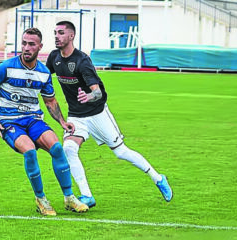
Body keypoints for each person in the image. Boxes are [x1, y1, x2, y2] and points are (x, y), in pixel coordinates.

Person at [45, 21, 173, 208]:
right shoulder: (54, 58)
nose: (56, 36)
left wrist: (88, 95)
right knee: (68, 150)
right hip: (75, 116)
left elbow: (97, 92)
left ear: (71, 36)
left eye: (61, 33)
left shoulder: (82, 61)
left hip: (97, 114)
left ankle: (158, 178)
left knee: (121, 152)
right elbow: (42, 75)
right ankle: (87, 195)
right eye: (55, 32)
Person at [0, 27, 89, 216]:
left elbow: (50, 100)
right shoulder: (6, 67)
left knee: (56, 148)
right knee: (30, 151)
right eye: (24, 43)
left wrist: (62, 122)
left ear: (40, 46)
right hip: (9, 121)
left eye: (31, 44)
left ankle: (69, 197)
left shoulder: (44, 72)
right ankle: (41, 199)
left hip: (33, 119)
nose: (26, 48)